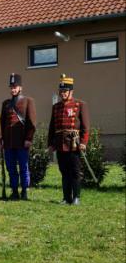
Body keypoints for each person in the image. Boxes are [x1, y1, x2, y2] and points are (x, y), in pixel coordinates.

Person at [48, 74, 90, 206]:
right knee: (64, 172)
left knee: (75, 171)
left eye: (65, 91)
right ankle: (67, 198)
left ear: (71, 91)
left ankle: (76, 197)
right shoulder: (56, 107)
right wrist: (50, 144)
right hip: (60, 143)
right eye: (61, 91)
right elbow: (52, 127)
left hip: (74, 144)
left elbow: (85, 127)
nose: (63, 93)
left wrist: (83, 142)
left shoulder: (80, 104)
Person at [0, 72, 36, 200]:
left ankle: (24, 190)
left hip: (22, 141)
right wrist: (1, 139)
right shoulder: (6, 104)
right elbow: (2, 123)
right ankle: (14, 190)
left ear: (20, 87)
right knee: (11, 168)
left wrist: (28, 138)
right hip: (9, 142)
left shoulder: (28, 101)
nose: (13, 89)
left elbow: (31, 123)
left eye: (15, 87)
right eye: (11, 87)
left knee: (23, 167)